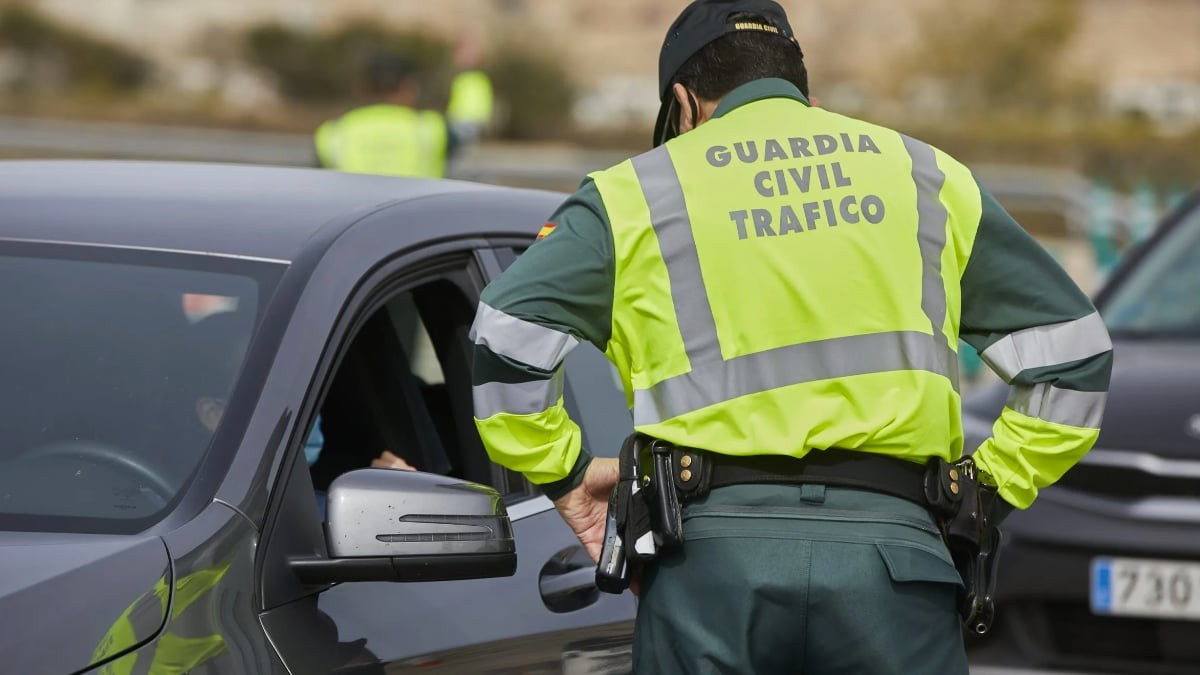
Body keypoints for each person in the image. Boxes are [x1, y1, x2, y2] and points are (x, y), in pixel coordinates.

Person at [470, 1, 1113, 672]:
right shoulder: (926, 178)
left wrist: (565, 475)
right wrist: (984, 493)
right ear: (807, 97)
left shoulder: (636, 193)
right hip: (897, 566)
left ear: (686, 105)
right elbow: (1074, 355)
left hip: (709, 570)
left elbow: (508, 335)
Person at [314, 55, 454, 178]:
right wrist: (469, 75)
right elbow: (468, 126)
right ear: (408, 89)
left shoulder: (333, 132)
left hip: (355, 208)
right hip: (420, 209)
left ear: (362, 88)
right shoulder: (431, 128)